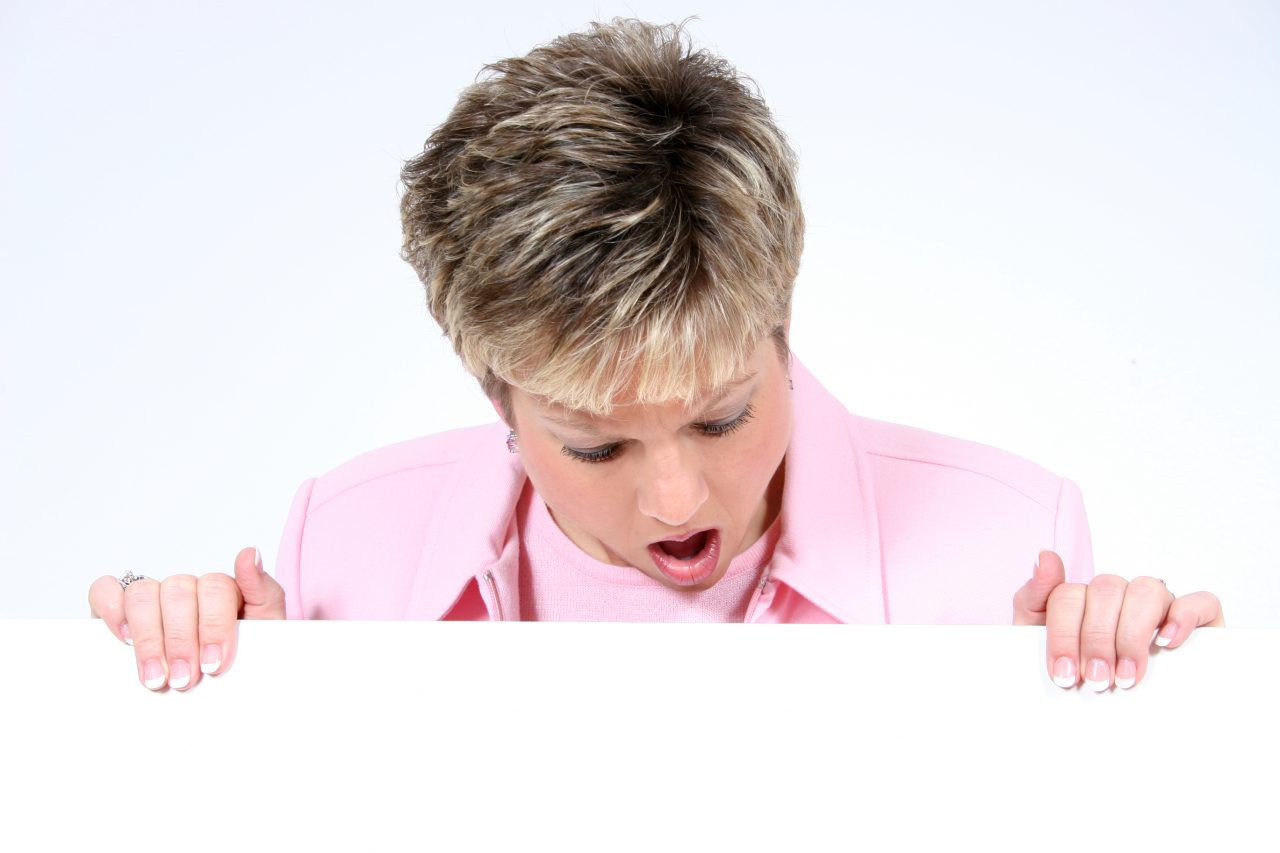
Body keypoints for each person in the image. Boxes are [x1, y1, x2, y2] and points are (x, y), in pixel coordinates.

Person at [88, 18, 1223, 693]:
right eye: (595, 445)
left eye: (722, 416)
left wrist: (1129, 720)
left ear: (781, 328)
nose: (677, 498)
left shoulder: (1008, 539)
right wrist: (206, 702)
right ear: (497, 393)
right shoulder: (339, 539)